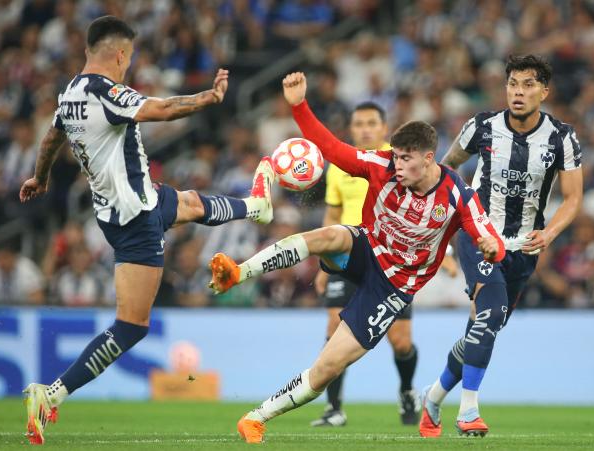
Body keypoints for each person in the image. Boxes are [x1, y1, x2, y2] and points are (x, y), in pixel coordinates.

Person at [208, 71, 505, 444]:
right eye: (395, 156)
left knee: (327, 368)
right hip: (367, 250)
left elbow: (486, 234)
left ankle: (256, 418)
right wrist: (299, 106)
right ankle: (239, 271)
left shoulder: (458, 194)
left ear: (429, 159)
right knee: (331, 234)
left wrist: (492, 246)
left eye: (405, 159)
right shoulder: (380, 166)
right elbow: (331, 149)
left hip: (392, 288)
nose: (396, 164)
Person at [18, 16, 275, 445]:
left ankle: (256, 206)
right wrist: (208, 98)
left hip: (131, 204)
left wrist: (40, 178)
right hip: (135, 218)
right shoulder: (106, 91)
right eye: (129, 57)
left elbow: (49, 141)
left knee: (190, 202)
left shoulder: (69, 94)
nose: (128, 64)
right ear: (119, 54)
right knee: (131, 326)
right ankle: (52, 394)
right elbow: (162, 109)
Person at [419, 54, 583, 437]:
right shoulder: (481, 127)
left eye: (528, 85)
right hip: (479, 235)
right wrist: (457, 217)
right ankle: (468, 412)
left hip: (526, 248)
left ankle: (433, 396)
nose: (518, 92)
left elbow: (573, 198)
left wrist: (551, 233)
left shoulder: (562, 138)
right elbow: (446, 169)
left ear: (544, 91)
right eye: (513, 84)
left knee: (482, 328)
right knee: (489, 316)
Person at [312, 101, 457, 427]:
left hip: (390, 260)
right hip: (348, 257)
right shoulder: (339, 168)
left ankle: (406, 389)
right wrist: (324, 262)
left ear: (383, 128)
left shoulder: (402, 163)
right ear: (351, 129)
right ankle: (334, 408)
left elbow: (433, 210)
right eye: (358, 123)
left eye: (371, 123)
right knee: (334, 327)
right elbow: (332, 215)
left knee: (400, 341)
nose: (364, 129)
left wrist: (446, 256)